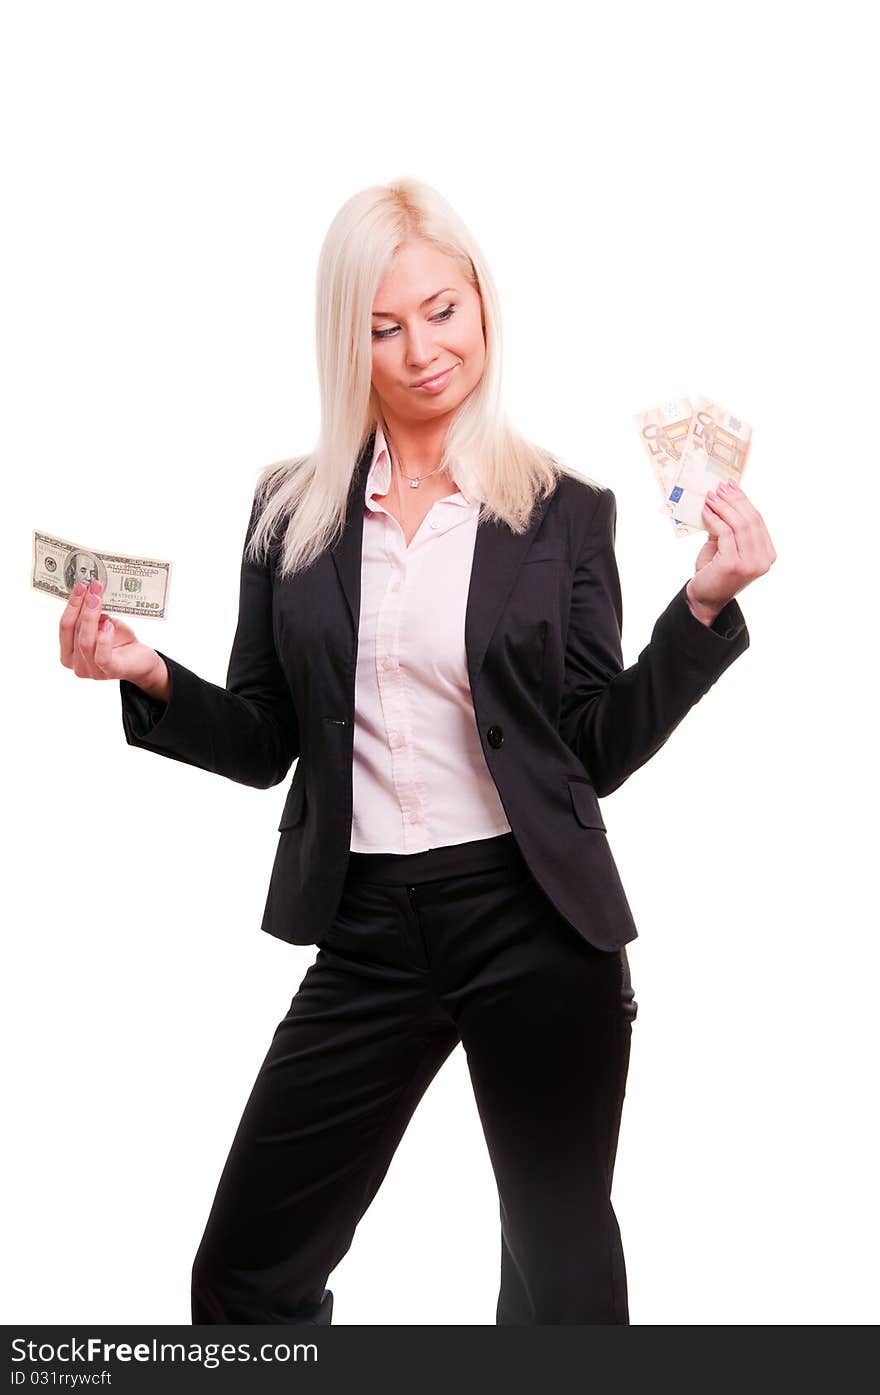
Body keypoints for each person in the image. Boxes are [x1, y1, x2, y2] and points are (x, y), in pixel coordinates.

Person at [58, 177, 776, 1325]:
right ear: (348, 342)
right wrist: (147, 674)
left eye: (440, 310)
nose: (419, 349)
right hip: (368, 932)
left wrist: (698, 613)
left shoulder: (565, 510)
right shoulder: (290, 510)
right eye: (382, 327)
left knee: (560, 1293)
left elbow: (590, 747)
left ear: (482, 303)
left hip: (534, 918)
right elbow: (261, 742)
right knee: (244, 1277)